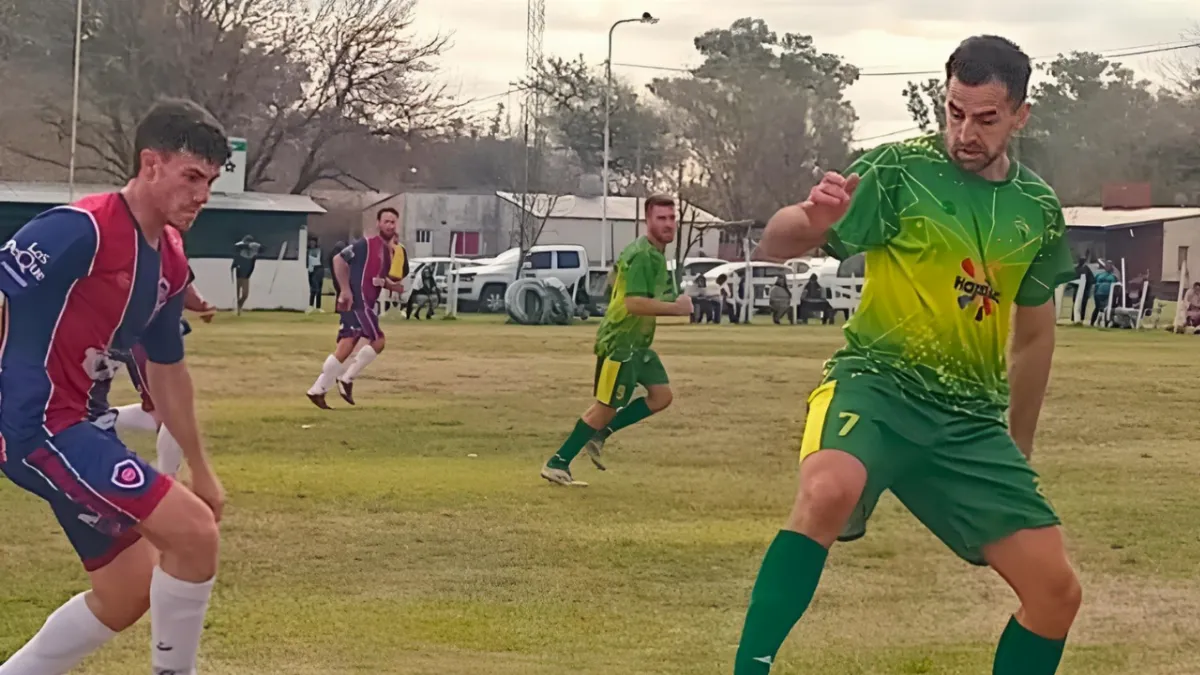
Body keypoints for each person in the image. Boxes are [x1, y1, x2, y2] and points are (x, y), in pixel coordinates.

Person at [733, 36, 1081, 675]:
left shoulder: (1038, 208)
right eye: (954, 111)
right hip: (878, 385)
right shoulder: (898, 170)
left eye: (986, 118)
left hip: (969, 420)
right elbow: (776, 244)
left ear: (1021, 115)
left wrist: (1019, 446)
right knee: (828, 488)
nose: (965, 132)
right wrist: (813, 216)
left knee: (1056, 594)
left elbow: (1034, 337)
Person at [0, 98, 227, 675]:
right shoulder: (80, 228)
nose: (201, 194)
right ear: (150, 164)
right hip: (39, 426)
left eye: (211, 181)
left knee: (128, 593)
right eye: (191, 177)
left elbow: (169, 371)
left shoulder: (172, 259)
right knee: (193, 535)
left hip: (84, 428)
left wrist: (201, 468)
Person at [539, 194, 691, 485]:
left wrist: (673, 300)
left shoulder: (653, 254)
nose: (669, 224)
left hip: (639, 344)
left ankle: (601, 434)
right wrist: (675, 308)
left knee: (661, 397)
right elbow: (634, 303)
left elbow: (616, 284)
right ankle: (558, 462)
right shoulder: (642, 255)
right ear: (648, 220)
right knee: (604, 408)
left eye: (672, 218)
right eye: (661, 218)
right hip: (620, 343)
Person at [112, 270, 217, 477]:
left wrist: (201, 305)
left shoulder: (157, 245)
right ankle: (166, 480)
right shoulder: (158, 244)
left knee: (163, 409)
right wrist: (202, 305)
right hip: (144, 338)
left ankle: (96, 419)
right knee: (174, 409)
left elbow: (182, 282)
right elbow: (185, 288)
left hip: (147, 336)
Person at [305, 208, 407, 408]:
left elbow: (376, 279)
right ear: (378, 224)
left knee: (347, 343)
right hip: (359, 302)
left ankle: (318, 389)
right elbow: (338, 259)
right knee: (378, 340)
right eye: (386, 221)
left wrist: (392, 286)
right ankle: (346, 378)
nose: (390, 225)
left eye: (393, 222)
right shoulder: (366, 244)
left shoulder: (387, 252)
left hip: (365, 302)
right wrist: (344, 290)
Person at [231, 234, 262, 314]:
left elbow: (252, 264)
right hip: (240, 272)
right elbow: (236, 260)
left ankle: (239, 305)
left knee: (245, 294)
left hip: (246, 274)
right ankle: (238, 309)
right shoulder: (240, 252)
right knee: (238, 291)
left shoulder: (252, 254)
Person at [1090, 261, 1118, 326]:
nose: (1108, 267)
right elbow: (1094, 283)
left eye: (1110, 265)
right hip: (1098, 294)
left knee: (1106, 309)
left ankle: (1105, 323)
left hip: (1108, 295)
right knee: (1097, 308)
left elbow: (1116, 287)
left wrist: (1115, 296)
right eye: (1107, 265)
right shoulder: (1099, 275)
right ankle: (1092, 323)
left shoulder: (1114, 277)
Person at [307, 236, 325, 312]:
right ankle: (311, 305)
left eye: (313, 242)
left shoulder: (319, 250)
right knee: (313, 288)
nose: (312, 243)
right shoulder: (307, 251)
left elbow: (321, 260)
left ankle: (318, 307)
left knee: (318, 289)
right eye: (311, 242)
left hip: (318, 269)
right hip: (310, 270)